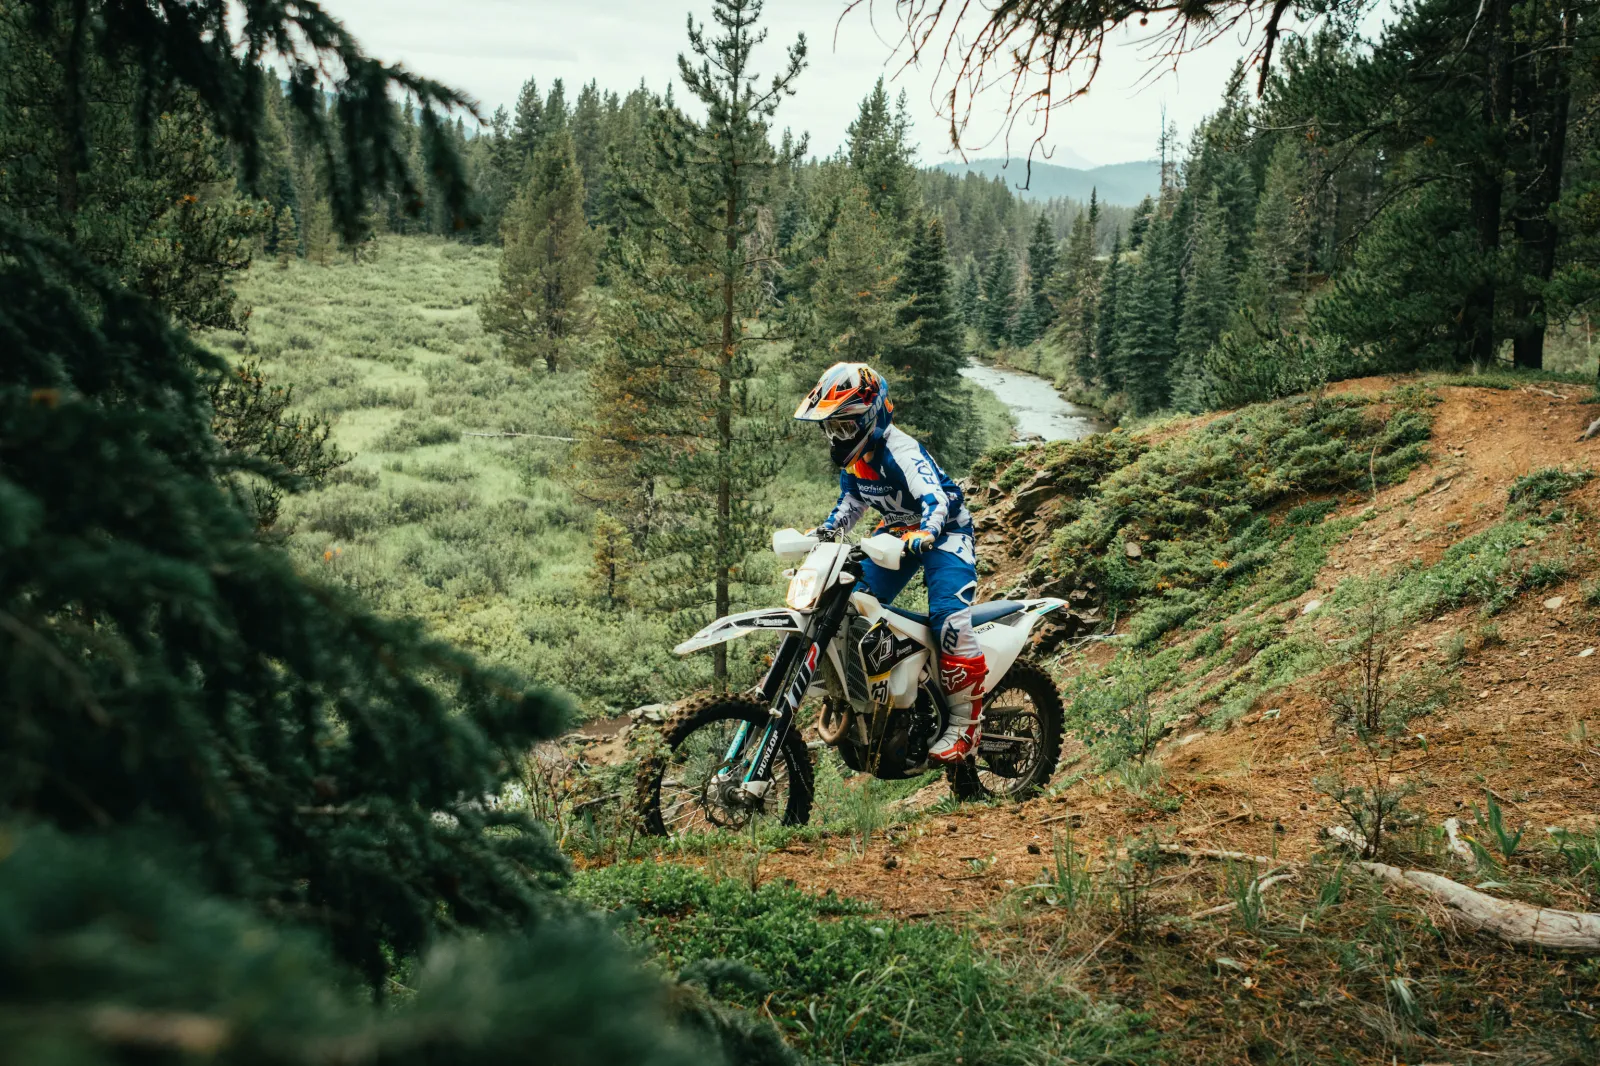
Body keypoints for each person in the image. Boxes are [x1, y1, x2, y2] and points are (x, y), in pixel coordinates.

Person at [793, 362, 985, 763]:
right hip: (899, 534)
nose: (838, 437)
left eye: (845, 426)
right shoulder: (858, 460)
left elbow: (937, 497)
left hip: (944, 534)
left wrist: (929, 532)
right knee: (848, 603)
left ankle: (966, 725)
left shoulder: (902, 450)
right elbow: (852, 502)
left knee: (949, 618)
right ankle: (878, 692)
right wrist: (826, 532)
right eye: (832, 429)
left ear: (871, 416)